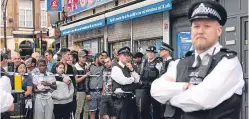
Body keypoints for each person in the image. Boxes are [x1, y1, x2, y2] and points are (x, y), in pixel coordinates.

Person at [151, 1, 245, 119]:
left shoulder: (229, 62)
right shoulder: (180, 63)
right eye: (196, 26)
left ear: (219, 30)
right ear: (191, 29)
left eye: (207, 26)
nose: (200, 31)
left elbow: (202, 99)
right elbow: (156, 89)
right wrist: (185, 87)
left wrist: (170, 99)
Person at [111, 47, 140, 119]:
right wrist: (133, 79)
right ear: (119, 56)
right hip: (121, 99)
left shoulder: (129, 67)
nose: (126, 57)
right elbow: (123, 81)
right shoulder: (116, 68)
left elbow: (138, 80)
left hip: (130, 98)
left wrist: (132, 70)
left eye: (128, 55)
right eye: (124, 55)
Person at [51, 48, 77, 117]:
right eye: (68, 54)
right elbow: (52, 77)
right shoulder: (55, 65)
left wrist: (72, 93)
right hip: (57, 99)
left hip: (68, 98)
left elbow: (72, 81)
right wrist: (62, 79)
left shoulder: (70, 67)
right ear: (63, 55)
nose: (69, 56)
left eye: (70, 54)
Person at [140, 46, 162, 119]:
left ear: (154, 53)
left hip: (154, 88)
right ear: (147, 53)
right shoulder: (144, 62)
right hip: (145, 88)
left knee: (156, 107)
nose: (150, 54)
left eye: (152, 52)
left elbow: (161, 75)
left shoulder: (158, 62)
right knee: (144, 108)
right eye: (149, 52)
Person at [85, 53, 105, 119]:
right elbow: (86, 80)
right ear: (96, 59)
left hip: (101, 91)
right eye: (101, 58)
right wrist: (87, 93)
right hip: (92, 92)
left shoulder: (103, 67)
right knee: (92, 112)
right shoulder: (90, 67)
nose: (103, 59)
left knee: (102, 111)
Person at [75, 49, 90, 119]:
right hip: (79, 91)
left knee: (87, 110)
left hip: (87, 91)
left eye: (85, 57)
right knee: (79, 110)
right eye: (83, 57)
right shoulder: (75, 67)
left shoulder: (87, 65)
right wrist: (85, 75)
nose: (85, 59)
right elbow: (76, 80)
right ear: (79, 57)